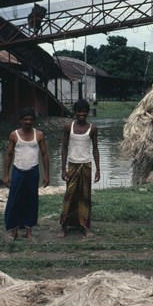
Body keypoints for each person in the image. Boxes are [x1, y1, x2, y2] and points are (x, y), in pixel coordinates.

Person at [3, 107, 50, 240]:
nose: (28, 122)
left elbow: (45, 155)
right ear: (20, 121)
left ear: (34, 121)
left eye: (30, 119)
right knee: (15, 200)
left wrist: (47, 174)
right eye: (25, 119)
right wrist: (6, 175)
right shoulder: (14, 135)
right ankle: (15, 229)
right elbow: (9, 155)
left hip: (33, 171)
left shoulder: (39, 135)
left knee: (31, 201)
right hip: (18, 171)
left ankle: (29, 229)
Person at [59, 99, 100, 238]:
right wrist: (63, 168)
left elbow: (95, 149)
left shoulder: (92, 128)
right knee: (69, 196)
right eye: (79, 111)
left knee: (85, 197)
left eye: (84, 111)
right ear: (74, 112)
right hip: (72, 165)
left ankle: (85, 227)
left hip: (86, 165)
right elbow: (64, 148)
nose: (81, 114)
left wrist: (98, 170)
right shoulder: (68, 127)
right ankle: (64, 226)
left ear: (87, 112)